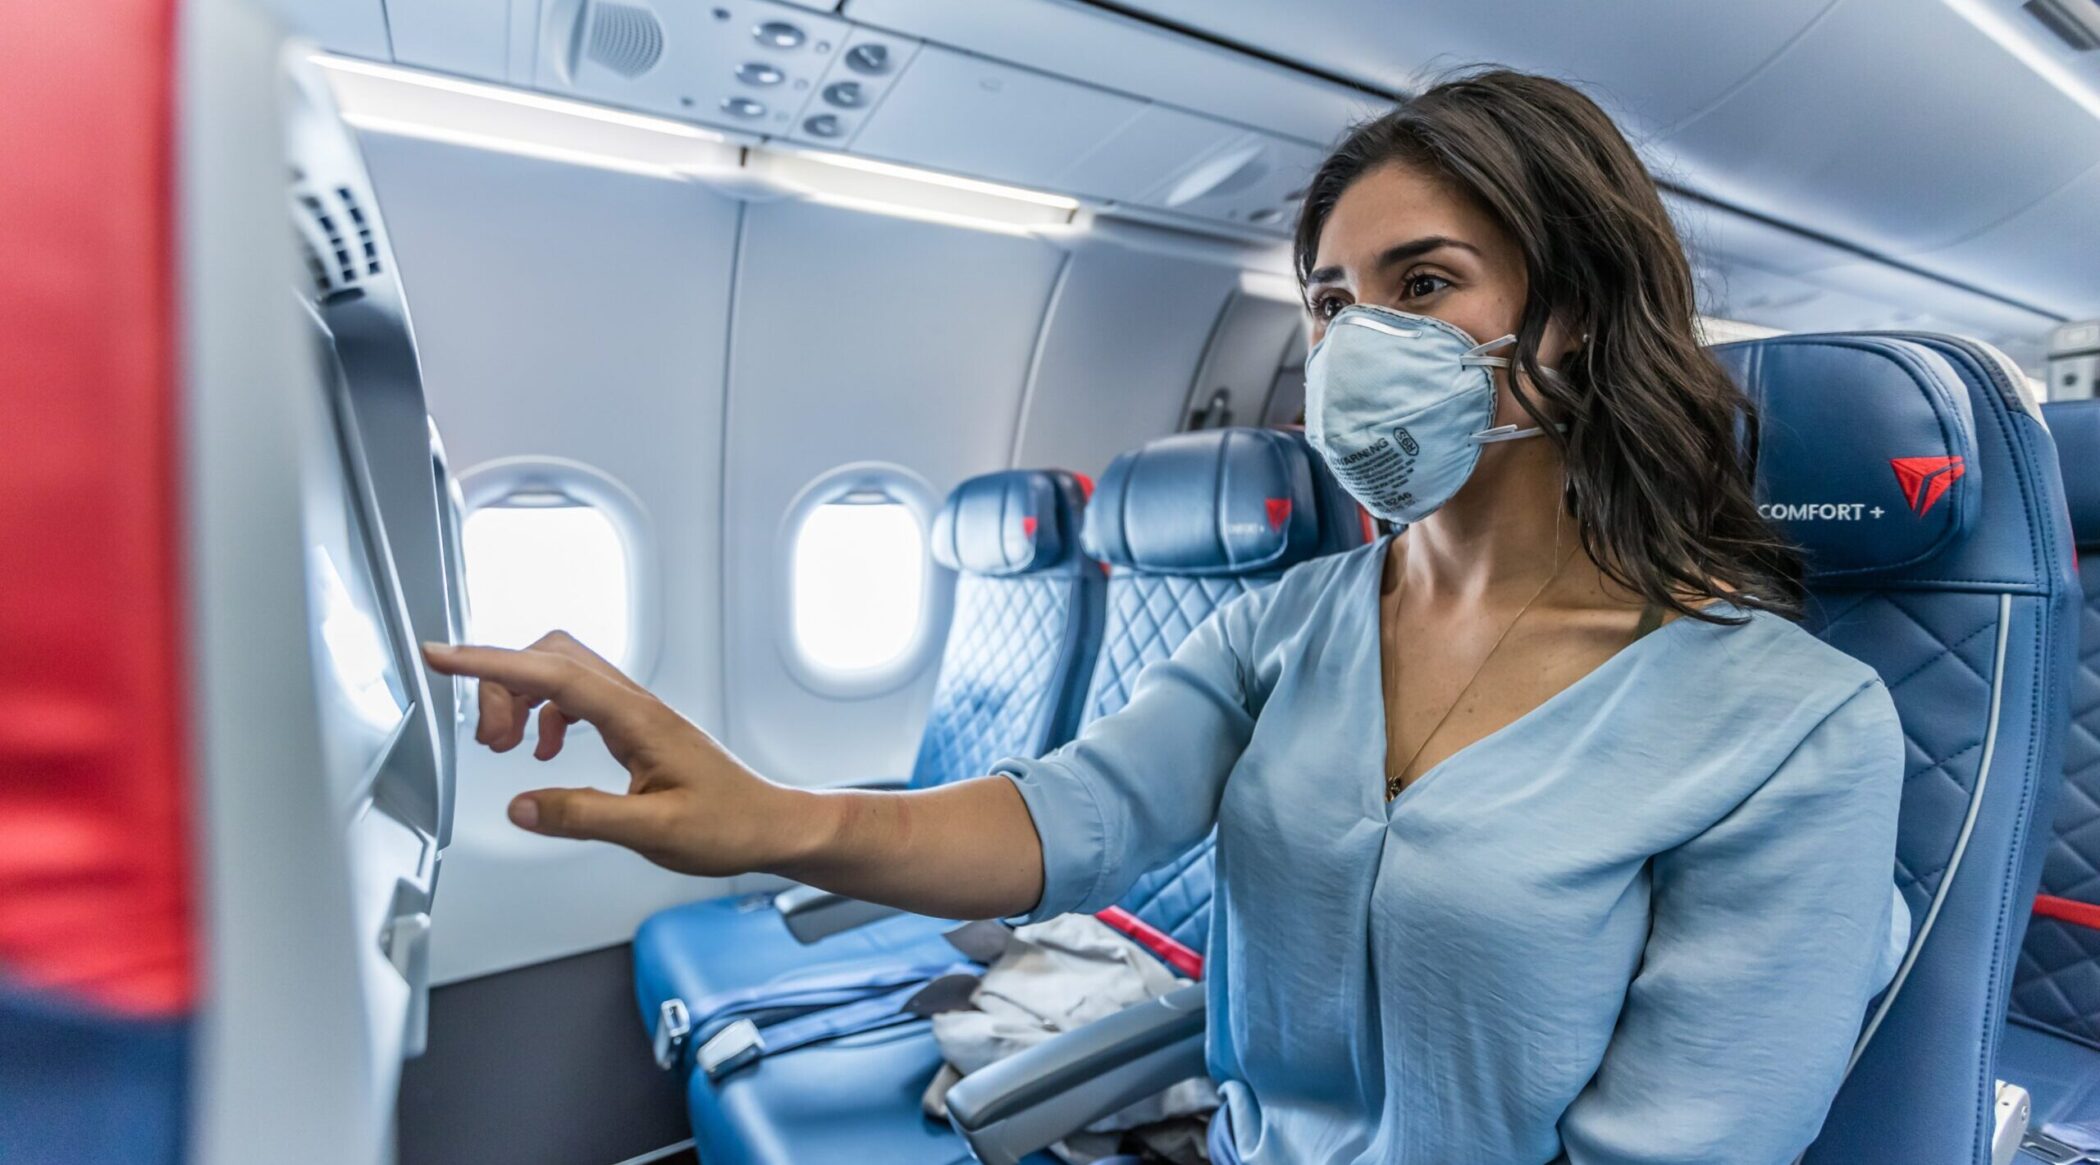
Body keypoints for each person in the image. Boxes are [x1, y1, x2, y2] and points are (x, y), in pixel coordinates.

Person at [422, 68, 1908, 1165]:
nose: (1353, 343)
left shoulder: (1790, 729)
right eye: (1330, 301)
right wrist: (768, 812)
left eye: (1426, 283)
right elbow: (1058, 821)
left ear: (1579, 313)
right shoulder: (1292, 624)